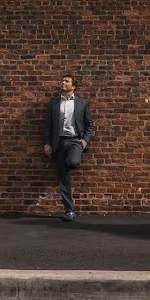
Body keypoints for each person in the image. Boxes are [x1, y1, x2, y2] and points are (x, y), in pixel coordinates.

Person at [44, 74, 94, 221]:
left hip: (75, 142)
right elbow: (48, 126)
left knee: (73, 163)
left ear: (73, 86)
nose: (63, 82)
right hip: (58, 143)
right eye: (62, 80)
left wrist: (85, 140)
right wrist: (47, 143)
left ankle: (67, 166)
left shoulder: (82, 103)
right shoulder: (53, 104)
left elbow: (89, 124)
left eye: (67, 81)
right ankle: (69, 210)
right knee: (63, 179)